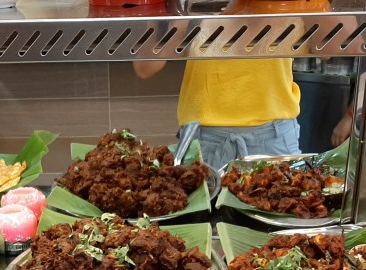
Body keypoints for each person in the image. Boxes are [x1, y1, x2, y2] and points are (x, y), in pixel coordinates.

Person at [133, 0, 331, 172]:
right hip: (205, 141)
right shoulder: (196, 9)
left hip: (273, 138)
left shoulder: (289, 8)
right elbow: (145, 67)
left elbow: (330, 48)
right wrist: (167, 13)